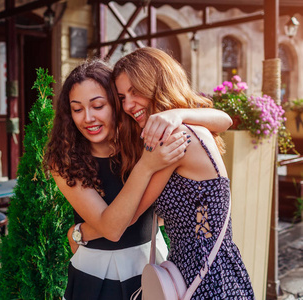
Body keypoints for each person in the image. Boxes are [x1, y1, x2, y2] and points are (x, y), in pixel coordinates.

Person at [44, 59, 233, 300]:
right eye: (77, 109)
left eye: (98, 105)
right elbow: (112, 229)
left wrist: (177, 114)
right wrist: (146, 165)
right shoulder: (64, 160)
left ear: (115, 105)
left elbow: (224, 120)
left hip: (150, 264)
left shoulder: (140, 138)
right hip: (95, 274)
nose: (88, 118)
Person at [107, 47, 253, 298]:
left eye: (135, 91)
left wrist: (85, 231)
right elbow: (223, 120)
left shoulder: (176, 136)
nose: (128, 105)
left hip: (204, 277)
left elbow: (130, 215)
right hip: (214, 268)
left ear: (157, 84)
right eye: (122, 97)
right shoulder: (187, 127)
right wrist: (178, 113)